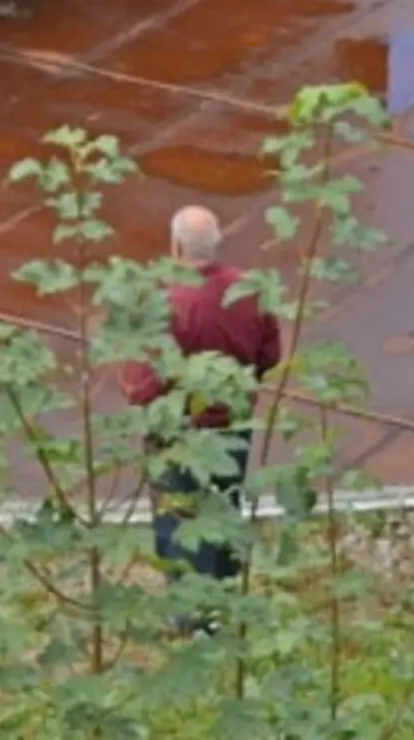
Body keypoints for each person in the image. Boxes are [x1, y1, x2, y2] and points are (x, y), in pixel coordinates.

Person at [120, 205, 283, 600]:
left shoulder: (163, 303)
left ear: (176, 246)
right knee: (225, 509)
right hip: (233, 425)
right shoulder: (251, 291)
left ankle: (191, 616)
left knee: (179, 522)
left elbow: (140, 386)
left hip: (178, 432)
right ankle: (225, 601)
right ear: (217, 244)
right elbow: (269, 356)